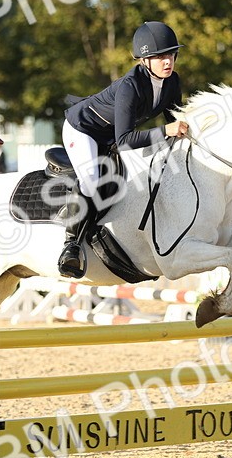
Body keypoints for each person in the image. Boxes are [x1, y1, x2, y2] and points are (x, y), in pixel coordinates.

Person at [57, 21, 188, 278]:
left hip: (111, 135)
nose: (167, 61)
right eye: (159, 56)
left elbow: (176, 119)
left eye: (171, 54)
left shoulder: (172, 82)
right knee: (93, 180)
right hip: (82, 130)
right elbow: (127, 140)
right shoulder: (130, 86)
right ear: (144, 60)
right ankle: (71, 245)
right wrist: (165, 132)